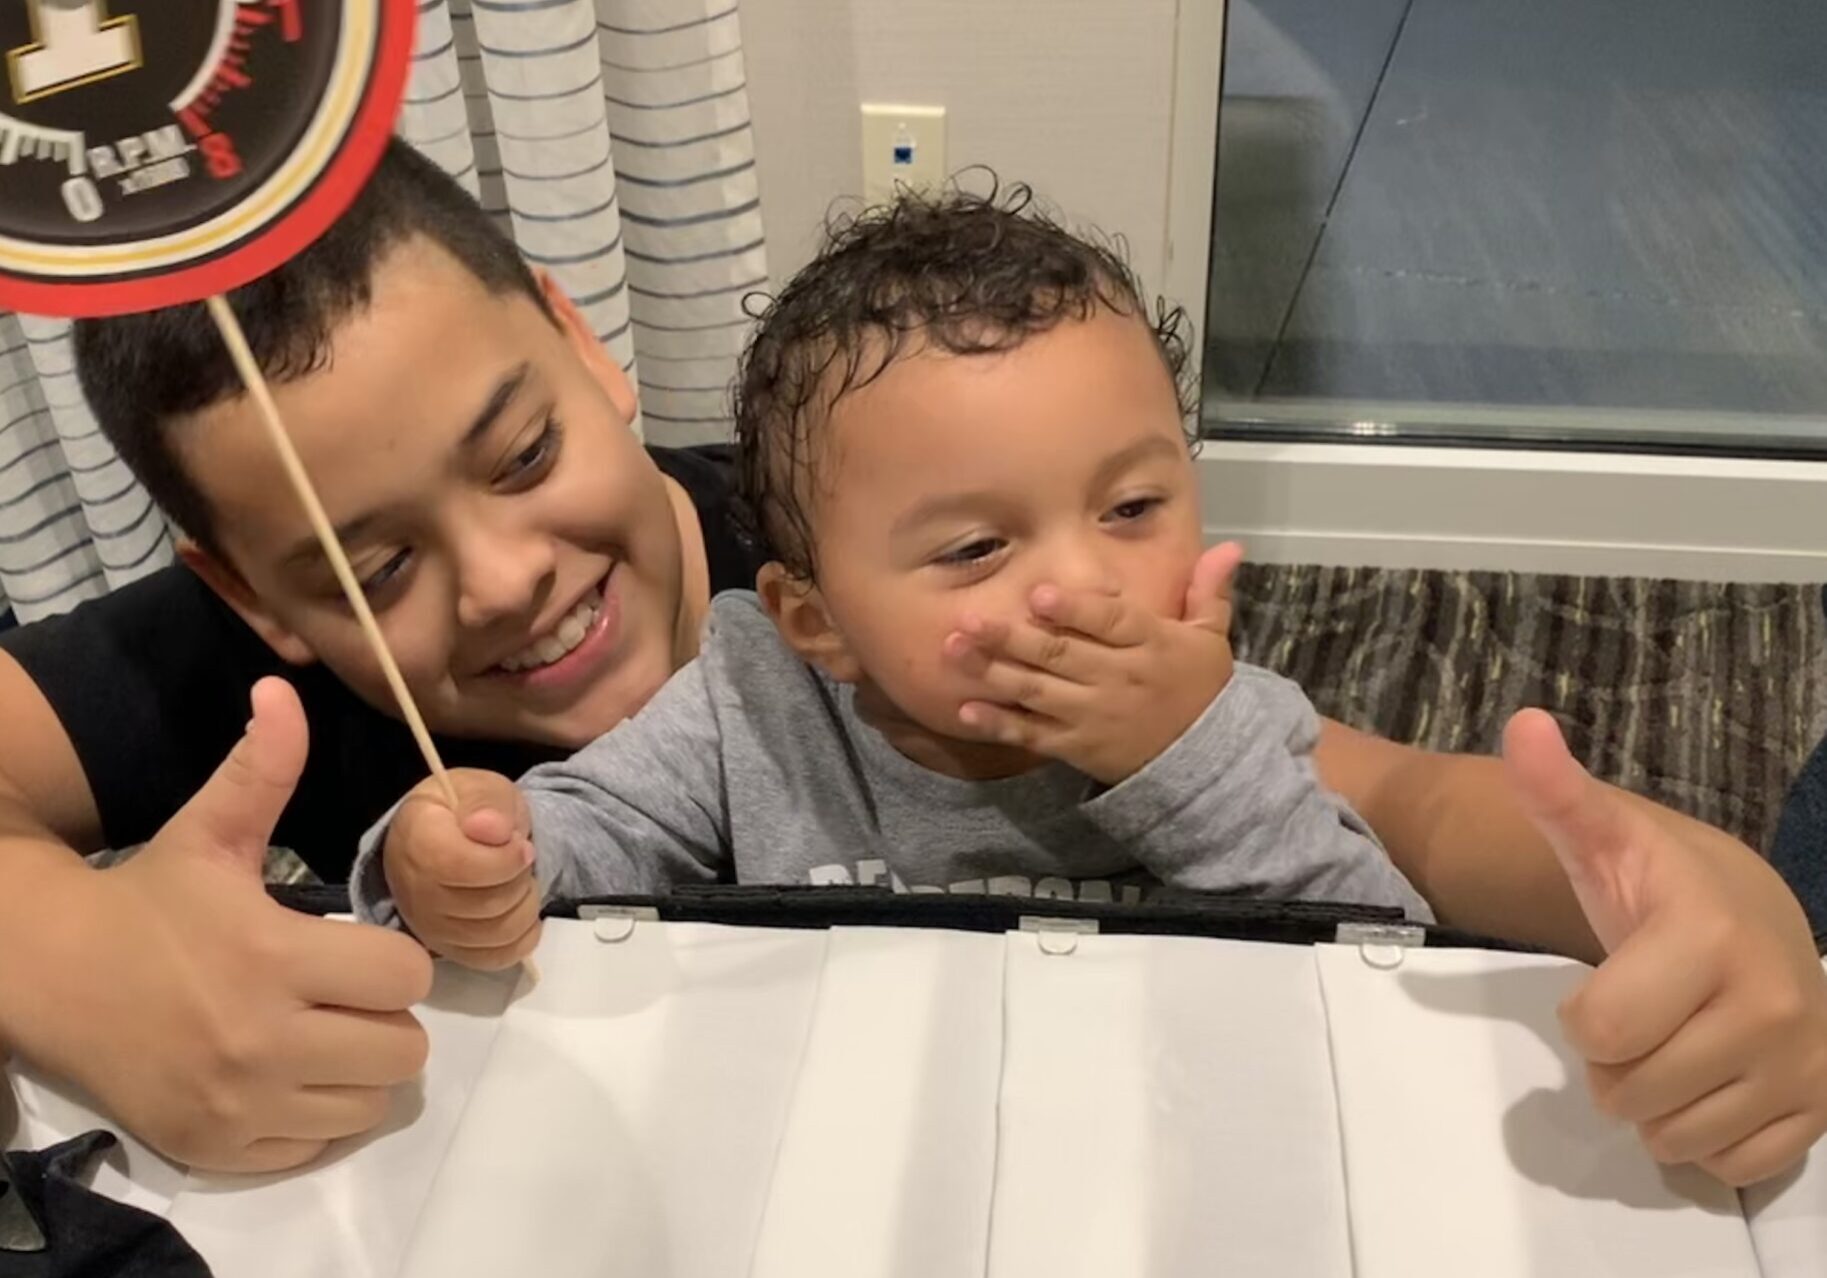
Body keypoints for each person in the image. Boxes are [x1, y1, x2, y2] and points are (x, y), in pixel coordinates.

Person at [0, 148, 1818, 1185]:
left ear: (583, 342)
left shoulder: (854, 517)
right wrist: (75, 959)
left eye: (524, 446)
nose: (504, 578)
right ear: (251, 595)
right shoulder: (235, 663)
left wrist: (1700, 890)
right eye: (373, 563)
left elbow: (1389, 794)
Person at [360, 192, 1430, 942]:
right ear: (816, 622)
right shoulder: (757, 704)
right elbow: (596, 834)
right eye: (975, 548)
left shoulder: (1220, 722)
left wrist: (1185, 763)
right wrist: (482, 853)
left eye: (1134, 507)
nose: (1087, 584)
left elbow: (1377, 942)